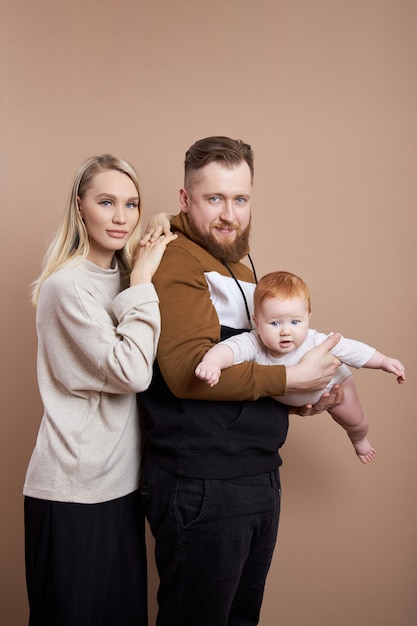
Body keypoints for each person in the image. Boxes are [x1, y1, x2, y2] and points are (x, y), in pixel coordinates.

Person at [138, 136, 345, 626]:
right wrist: (289, 375)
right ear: (185, 200)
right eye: (214, 198)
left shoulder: (232, 260)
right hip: (204, 481)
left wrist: (295, 397)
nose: (229, 214)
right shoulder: (178, 259)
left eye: (240, 199)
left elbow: (250, 358)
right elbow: (190, 372)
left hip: (255, 473)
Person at [23, 154, 177, 626]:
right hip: (71, 489)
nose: (120, 217)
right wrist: (144, 282)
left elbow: (167, 224)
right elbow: (132, 371)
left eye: (130, 205)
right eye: (106, 202)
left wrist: (156, 223)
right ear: (80, 206)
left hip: (121, 484)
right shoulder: (67, 287)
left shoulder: (126, 275)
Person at [196, 270, 406, 463]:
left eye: (295, 322)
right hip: (299, 401)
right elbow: (229, 349)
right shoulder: (253, 343)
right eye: (275, 323)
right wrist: (212, 363)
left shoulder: (315, 341)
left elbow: (353, 350)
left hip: (334, 385)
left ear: (308, 318)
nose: (286, 331)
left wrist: (383, 361)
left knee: (355, 419)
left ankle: (359, 439)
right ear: (257, 322)